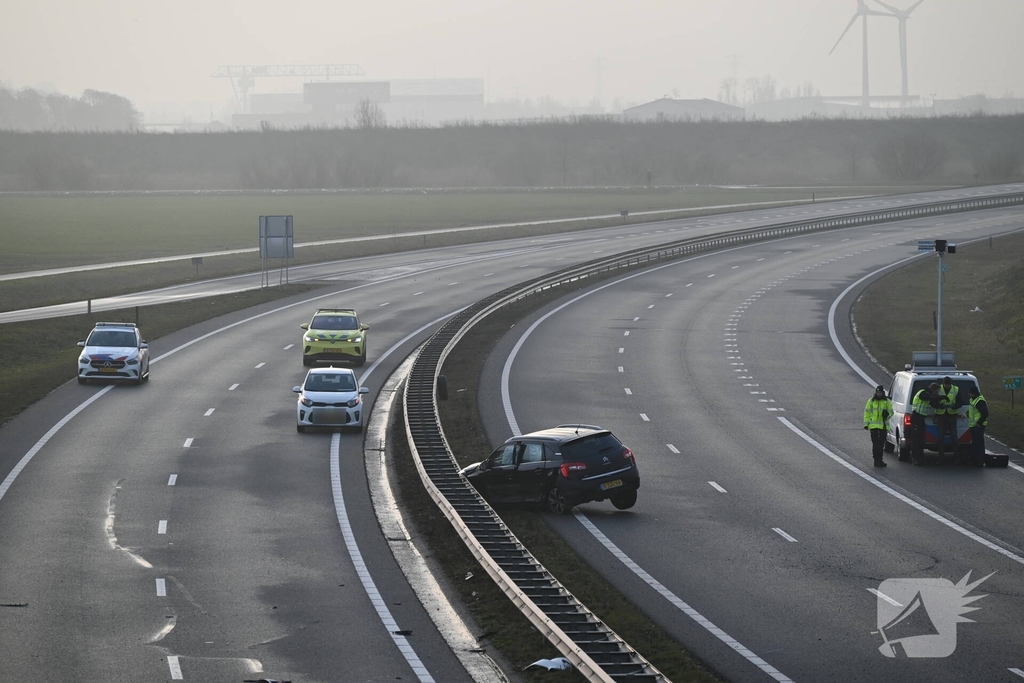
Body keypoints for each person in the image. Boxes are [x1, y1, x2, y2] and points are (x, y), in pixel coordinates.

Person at [910, 382, 941, 465]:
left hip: (921, 418)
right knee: (917, 439)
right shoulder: (923, 392)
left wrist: (942, 406)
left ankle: (920, 457)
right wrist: (939, 397)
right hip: (916, 417)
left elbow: (934, 404)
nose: (937, 393)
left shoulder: (928, 395)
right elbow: (927, 397)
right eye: (937, 391)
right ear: (933, 390)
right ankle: (915, 458)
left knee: (921, 439)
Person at [864, 384, 893, 467]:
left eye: (880, 392)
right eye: (877, 392)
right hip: (874, 427)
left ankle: (880, 459)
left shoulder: (887, 401)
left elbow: (891, 412)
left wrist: (887, 414)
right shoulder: (871, 401)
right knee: (875, 444)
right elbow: (867, 413)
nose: (878, 394)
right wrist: (866, 424)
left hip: (883, 426)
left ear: (883, 393)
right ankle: (876, 460)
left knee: (881, 445)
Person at [935, 376, 960, 459]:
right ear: (943, 383)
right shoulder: (939, 388)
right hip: (941, 414)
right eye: (946, 384)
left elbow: (960, 401)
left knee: (954, 434)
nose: (947, 386)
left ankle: (956, 455)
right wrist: (939, 406)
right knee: (940, 435)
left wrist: (954, 406)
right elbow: (934, 400)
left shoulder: (956, 389)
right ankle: (941, 455)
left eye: (948, 385)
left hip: (952, 414)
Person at [967, 385, 989, 467]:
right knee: (975, 443)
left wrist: (979, 423)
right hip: (974, 425)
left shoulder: (980, 401)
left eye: (969, 393)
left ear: (973, 393)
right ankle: (975, 460)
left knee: (979, 444)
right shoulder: (973, 399)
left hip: (978, 426)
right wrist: (966, 414)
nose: (968, 394)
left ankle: (980, 460)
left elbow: (985, 414)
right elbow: (972, 411)